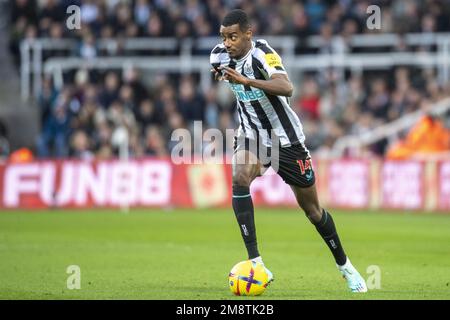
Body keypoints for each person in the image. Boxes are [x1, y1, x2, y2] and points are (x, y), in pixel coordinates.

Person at [210, 9, 367, 293]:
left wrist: (247, 82)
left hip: (286, 141)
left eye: (233, 36)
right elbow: (219, 70)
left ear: (248, 34)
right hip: (252, 135)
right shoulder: (219, 55)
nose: (228, 43)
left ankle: (346, 267)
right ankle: (256, 262)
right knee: (239, 176)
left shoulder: (262, 53)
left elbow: (287, 87)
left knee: (313, 211)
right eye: (223, 37)